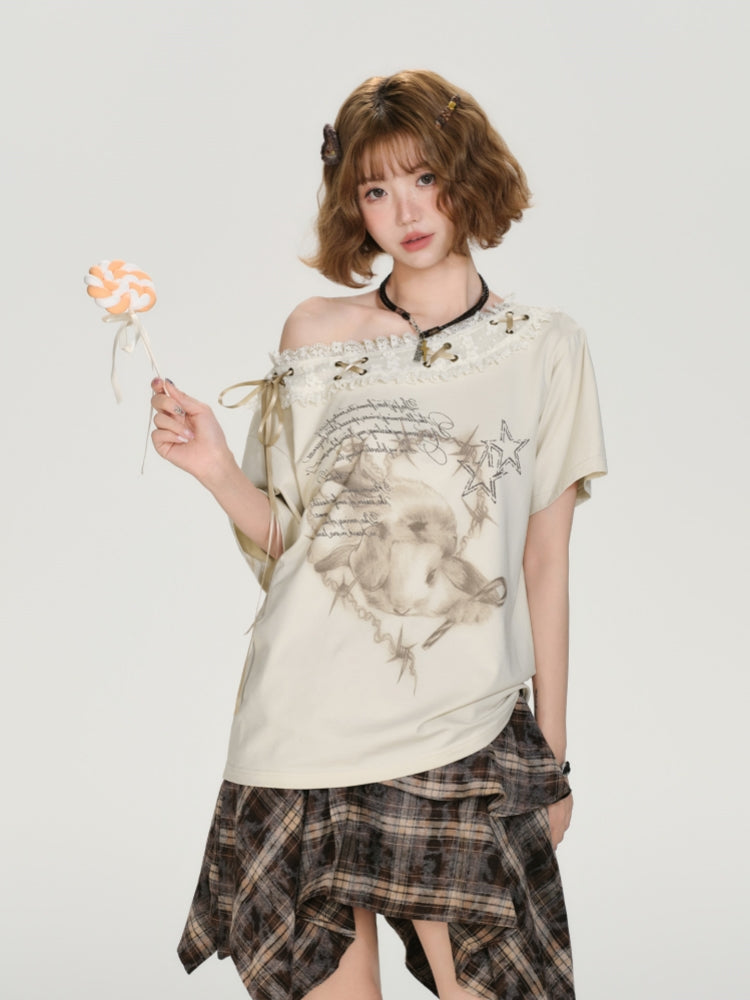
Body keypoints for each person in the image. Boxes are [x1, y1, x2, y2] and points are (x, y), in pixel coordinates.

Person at [151, 69, 607, 1000]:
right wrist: (219, 471)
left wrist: (551, 763)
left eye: (424, 178)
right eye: (375, 189)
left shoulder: (544, 346)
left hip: (460, 733)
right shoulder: (316, 333)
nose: (406, 211)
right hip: (305, 730)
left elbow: (544, 560)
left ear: (466, 174)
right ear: (352, 206)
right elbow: (308, 552)